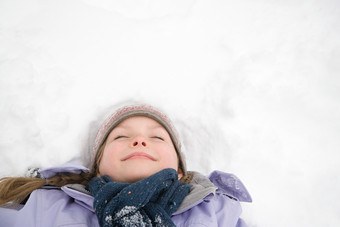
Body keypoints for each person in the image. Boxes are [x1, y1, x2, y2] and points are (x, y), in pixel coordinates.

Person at [0, 102, 252, 226]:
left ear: (179, 170)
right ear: (97, 167)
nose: (140, 140)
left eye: (157, 137)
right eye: (121, 136)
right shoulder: (46, 207)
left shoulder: (216, 211)